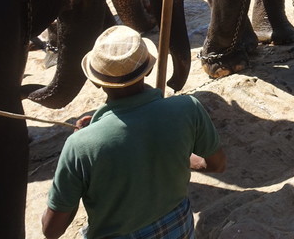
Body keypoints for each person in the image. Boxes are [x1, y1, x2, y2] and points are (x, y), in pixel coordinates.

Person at [42, 25, 226, 239]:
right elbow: (218, 164)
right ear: (147, 70)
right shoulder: (188, 107)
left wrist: (80, 155)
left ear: (94, 80)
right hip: (179, 228)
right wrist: (176, 156)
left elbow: (51, 230)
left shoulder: (80, 145)